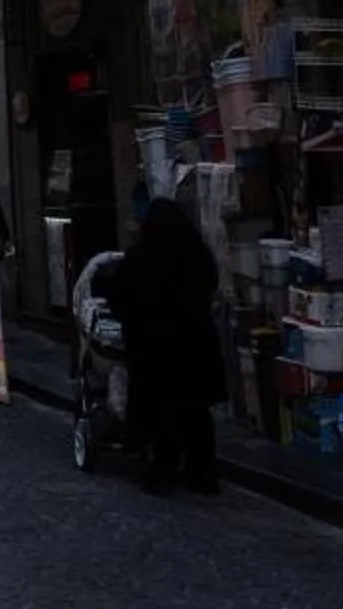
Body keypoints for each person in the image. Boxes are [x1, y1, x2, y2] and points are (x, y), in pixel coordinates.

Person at [98, 197, 225, 495]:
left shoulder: (141, 258)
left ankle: (163, 471)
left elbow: (118, 297)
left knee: (161, 413)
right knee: (196, 413)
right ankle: (203, 475)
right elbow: (210, 286)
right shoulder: (198, 254)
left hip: (155, 348)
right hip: (195, 347)